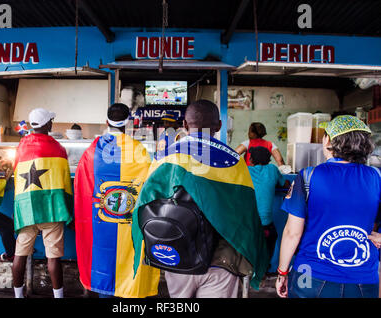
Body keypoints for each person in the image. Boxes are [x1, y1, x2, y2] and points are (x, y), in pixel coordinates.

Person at [131, 99, 270, 298]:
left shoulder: (166, 157)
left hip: (177, 252)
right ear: (219, 126)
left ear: (185, 125)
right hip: (222, 260)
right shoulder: (234, 161)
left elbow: (145, 205)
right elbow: (246, 216)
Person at [276, 115, 380, 298]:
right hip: (363, 280)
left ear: (329, 141)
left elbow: (292, 232)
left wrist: (282, 272)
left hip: (309, 276)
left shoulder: (309, 176)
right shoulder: (376, 177)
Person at [74, 103, 160, 298]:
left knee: (104, 265)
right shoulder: (139, 150)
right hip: (129, 225)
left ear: (106, 122)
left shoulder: (93, 150)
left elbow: (82, 186)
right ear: (128, 122)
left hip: (101, 222)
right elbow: (150, 184)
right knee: (127, 266)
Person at [12, 108, 73, 298]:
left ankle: (18, 295)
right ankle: (58, 296)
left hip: (26, 208)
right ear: (47, 125)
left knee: (19, 254)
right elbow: (64, 180)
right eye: (51, 121)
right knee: (53, 257)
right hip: (51, 208)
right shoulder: (58, 148)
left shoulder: (21, 147)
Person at [247, 146, 290, 262]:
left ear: (251, 160)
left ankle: (253, 272)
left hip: (249, 223)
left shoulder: (247, 170)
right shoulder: (272, 169)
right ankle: (265, 270)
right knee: (271, 238)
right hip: (266, 224)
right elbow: (285, 184)